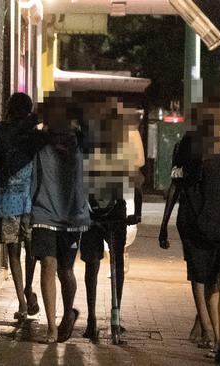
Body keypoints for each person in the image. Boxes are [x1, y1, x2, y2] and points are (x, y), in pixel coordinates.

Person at [161, 86, 220, 363]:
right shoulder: (192, 143)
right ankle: (217, 336)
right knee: (208, 283)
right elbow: (177, 181)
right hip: (200, 225)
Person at [79, 96, 144, 341]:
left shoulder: (91, 147)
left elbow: (81, 182)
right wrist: (135, 213)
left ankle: (94, 318)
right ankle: (111, 316)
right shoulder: (119, 147)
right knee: (112, 263)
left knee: (93, 265)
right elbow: (137, 182)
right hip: (111, 213)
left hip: (96, 213)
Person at [28, 94, 91, 343]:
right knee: (48, 264)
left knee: (66, 270)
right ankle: (51, 327)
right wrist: (38, 117)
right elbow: (23, 131)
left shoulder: (80, 141)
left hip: (72, 216)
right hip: (43, 212)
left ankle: (67, 313)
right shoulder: (38, 140)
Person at [0, 92, 39, 321]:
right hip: (30, 201)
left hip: (7, 200)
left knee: (13, 251)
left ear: (8, 109)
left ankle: (23, 303)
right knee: (31, 250)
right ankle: (27, 288)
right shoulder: (32, 134)